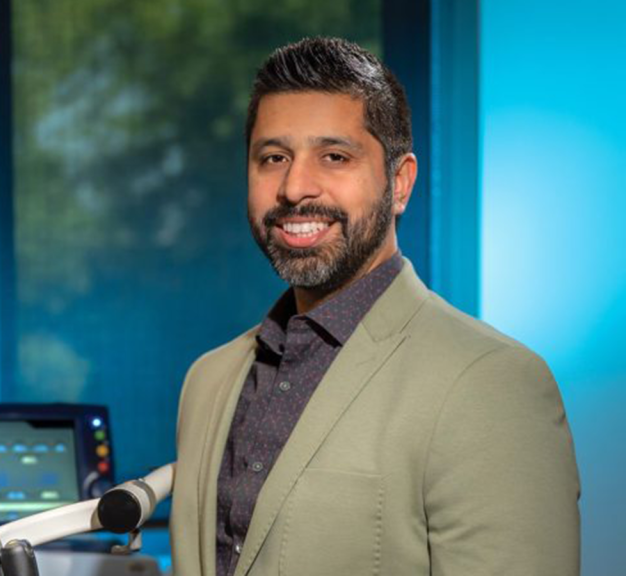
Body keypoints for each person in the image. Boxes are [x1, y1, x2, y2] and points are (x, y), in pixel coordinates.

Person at [169, 37, 580, 576]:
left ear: (400, 183)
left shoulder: (491, 383)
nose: (295, 187)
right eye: (273, 158)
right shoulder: (209, 380)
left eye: (334, 156)